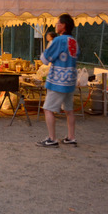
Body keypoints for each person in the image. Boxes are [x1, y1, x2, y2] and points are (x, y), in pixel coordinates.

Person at [36, 14, 79, 148]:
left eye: (57, 23)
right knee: (69, 110)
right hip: (70, 79)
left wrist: (45, 55)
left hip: (58, 80)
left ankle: (51, 138)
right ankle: (71, 137)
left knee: (48, 109)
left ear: (63, 25)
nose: (56, 25)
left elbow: (45, 58)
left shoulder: (59, 40)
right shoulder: (74, 41)